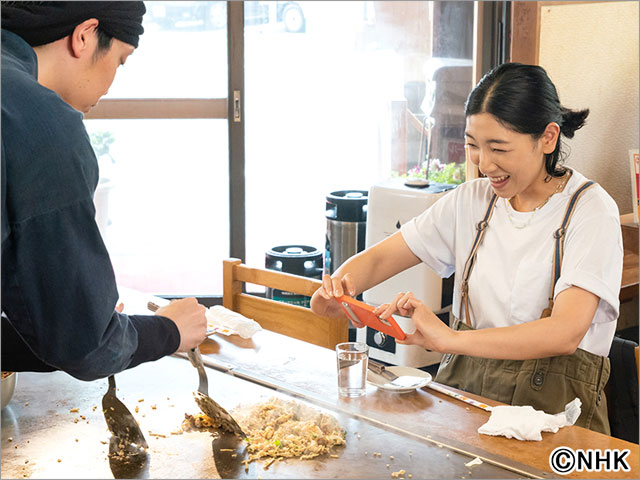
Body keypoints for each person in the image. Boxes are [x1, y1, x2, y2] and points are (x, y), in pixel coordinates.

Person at [311, 63, 623, 434]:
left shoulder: (590, 209)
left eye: (499, 148)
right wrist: (338, 290)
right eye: (473, 145)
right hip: (466, 402)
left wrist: (450, 339)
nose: (484, 164)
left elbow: (565, 332)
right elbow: (381, 257)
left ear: (548, 138)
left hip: (556, 418)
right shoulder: (471, 201)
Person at [1, 1, 207, 381]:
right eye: (121, 61)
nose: (112, 83)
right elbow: (86, 345)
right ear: (84, 36)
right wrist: (169, 332)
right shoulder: (42, 124)